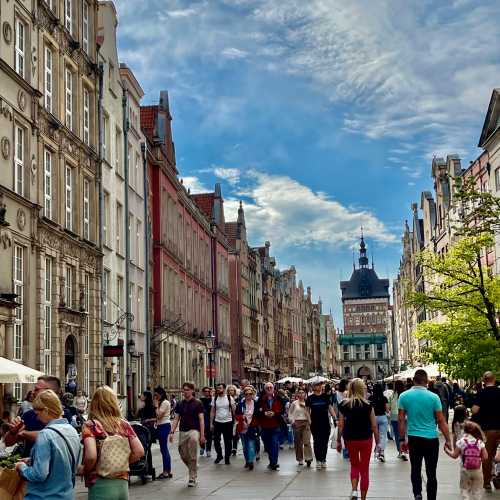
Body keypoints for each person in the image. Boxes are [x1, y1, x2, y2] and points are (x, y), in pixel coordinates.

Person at [81, 386, 144, 499]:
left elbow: (91, 456)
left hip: (100, 484)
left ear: (94, 404)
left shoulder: (91, 426)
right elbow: (139, 451)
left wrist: (84, 469)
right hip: (122, 484)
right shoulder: (124, 424)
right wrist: (120, 462)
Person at [16, 389, 80, 500]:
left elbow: (39, 474)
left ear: (45, 410)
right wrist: (33, 460)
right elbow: (65, 463)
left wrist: (22, 468)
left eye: (38, 413)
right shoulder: (72, 431)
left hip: (43, 496)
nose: (37, 418)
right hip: (66, 494)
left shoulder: (45, 435)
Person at [398, 369, 452, 500]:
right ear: (426, 381)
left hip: (414, 438)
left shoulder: (404, 396)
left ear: (414, 380)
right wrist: (448, 439)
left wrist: (401, 439)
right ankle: (431, 497)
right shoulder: (434, 397)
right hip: (431, 439)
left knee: (415, 469)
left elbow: (401, 419)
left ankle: (417, 493)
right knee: (431, 472)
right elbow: (440, 420)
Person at [5, 375, 71, 456]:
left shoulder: (63, 413)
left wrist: (24, 433)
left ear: (50, 392)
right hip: (28, 464)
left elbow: (54, 436)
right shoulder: (28, 414)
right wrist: (13, 431)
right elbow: (8, 443)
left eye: (36, 389)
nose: (32, 392)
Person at [337, 378, 379, 500]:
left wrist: (339, 440)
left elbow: (340, 424)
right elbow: (374, 425)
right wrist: (378, 442)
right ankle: (363, 498)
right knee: (364, 469)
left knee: (354, 465)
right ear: (362, 389)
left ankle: (354, 490)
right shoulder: (368, 405)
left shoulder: (344, 404)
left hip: (350, 438)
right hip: (366, 439)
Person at [169, 382, 206, 487]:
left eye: (187, 389)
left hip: (194, 430)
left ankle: (192, 478)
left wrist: (202, 435)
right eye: (184, 389)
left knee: (193, 451)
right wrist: (171, 432)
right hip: (183, 431)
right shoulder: (180, 404)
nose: (185, 391)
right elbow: (176, 419)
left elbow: (201, 419)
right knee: (183, 454)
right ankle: (193, 467)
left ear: (192, 391)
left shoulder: (198, 403)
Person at [471, 371, 500, 492]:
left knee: (487, 456)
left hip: (489, 430)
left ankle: (487, 482)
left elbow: (474, 410)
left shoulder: (481, 393)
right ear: (495, 379)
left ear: (484, 380)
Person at [445, 421, 488, 500]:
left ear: (464, 430)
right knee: (477, 491)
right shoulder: (479, 442)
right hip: (477, 470)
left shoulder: (461, 442)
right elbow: (485, 457)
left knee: (464, 490)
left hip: (465, 470)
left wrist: (447, 451)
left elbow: (454, 456)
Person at [306, 381, 336, 469]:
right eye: (317, 385)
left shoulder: (325, 397)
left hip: (325, 422)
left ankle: (323, 459)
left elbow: (330, 408)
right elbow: (307, 411)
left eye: (320, 385)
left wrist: (335, 418)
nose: (319, 386)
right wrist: (309, 420)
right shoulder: (310, 398)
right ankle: (318, 460)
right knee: (317, 441)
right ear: (313, 387)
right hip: (315, 423)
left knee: (324, 442)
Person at [256, 382, 285, 470]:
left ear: (273, 388)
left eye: (270, 387)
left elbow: (283, 410)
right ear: (265, 389)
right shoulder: (261, 399)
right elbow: (257, 412)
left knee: (275, 444)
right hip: (264, 426)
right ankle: (271, 460)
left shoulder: (278, 398)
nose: (269, 389)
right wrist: (264, 413)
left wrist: (275, 413)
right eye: (267, 387)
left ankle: (274, 463)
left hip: (275, 425)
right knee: (268, 445)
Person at [210, 383, 235, 465]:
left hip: (228, 422)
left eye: (220, 388)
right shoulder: (215, 398)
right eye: (217, 388)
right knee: (216, 441)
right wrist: (211, 423)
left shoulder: (229, 398)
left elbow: (234, 410)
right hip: (217, 422)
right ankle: (219, 455)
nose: (218, 389)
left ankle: (227, 457)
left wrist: (235, 422)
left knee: (228, 441)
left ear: (224, 389)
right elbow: (212, 411)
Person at [235, 385, 259, 470]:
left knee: (251, 444)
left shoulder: (256, 404)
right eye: (246, 394)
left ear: (252, 394)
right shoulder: (240, 404)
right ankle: (247, 460)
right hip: (243, 427)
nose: (248, 395)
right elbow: (236, 415)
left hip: (252, 427)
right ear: (244, 395)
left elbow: (259, 415)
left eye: (250, 394)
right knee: (245, 446)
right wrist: (242, 419)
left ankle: (250, 461)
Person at [288, 387, 313, 466]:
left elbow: (311, 413)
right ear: (297, 394)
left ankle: (308, 458)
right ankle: (300, 459)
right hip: (297, 423)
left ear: (305, 394)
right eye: (300, 392)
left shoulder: (308, 402)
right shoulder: (294, 403)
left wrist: (310, 422)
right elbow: (290, 413)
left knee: (307, 441)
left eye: (303, 392)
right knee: (298, 442)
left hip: (306, 423)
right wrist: (292, 421)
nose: (301, 394)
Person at [154, 386, 172, 479]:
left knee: (164, 449)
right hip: (161, 425)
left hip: (164, 425)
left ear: (161, 394)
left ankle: (166, 471)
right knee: (163, 449)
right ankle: (167, 470)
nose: (155, 397)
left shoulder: (165, 403)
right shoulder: (162, 402)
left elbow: (159, 415)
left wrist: (156, 405)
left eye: (156, 395)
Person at [368, 383, 389, 462]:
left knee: (375, 435)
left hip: (373, 418)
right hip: (383, 417)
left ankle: (377, 449)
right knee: (383, 436)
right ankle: (382, 453)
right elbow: (387, 409)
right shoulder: (384, 398)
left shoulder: (370, 398)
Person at [388, 380, 407, 460]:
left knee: (397, 434)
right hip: (405, 416)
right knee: (404, 434)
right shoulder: (405, 395)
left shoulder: (392, 395)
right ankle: (404, 451)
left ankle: (400, 451)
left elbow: (389, 407)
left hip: (394, 417)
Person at [199, 386, 213, 457]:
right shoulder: (200, 400)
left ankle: (208, 450)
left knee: (209, 435)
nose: (207, 393)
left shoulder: (212, 400)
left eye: (208, 391)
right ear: (203, 392)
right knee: (202, 433)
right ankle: (202, 447)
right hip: (202, 418)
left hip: (210, 418)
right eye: (205, 391)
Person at [227, 384, 240, 456]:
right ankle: (229, 448)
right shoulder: (226, 398)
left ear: (234, 391)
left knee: (235, 433)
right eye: (229, 390)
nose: (230, 392)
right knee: (229, 434)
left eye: (232, 390)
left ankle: (234, 448)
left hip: (236, 418)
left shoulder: (238, 399)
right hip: (228, 418)